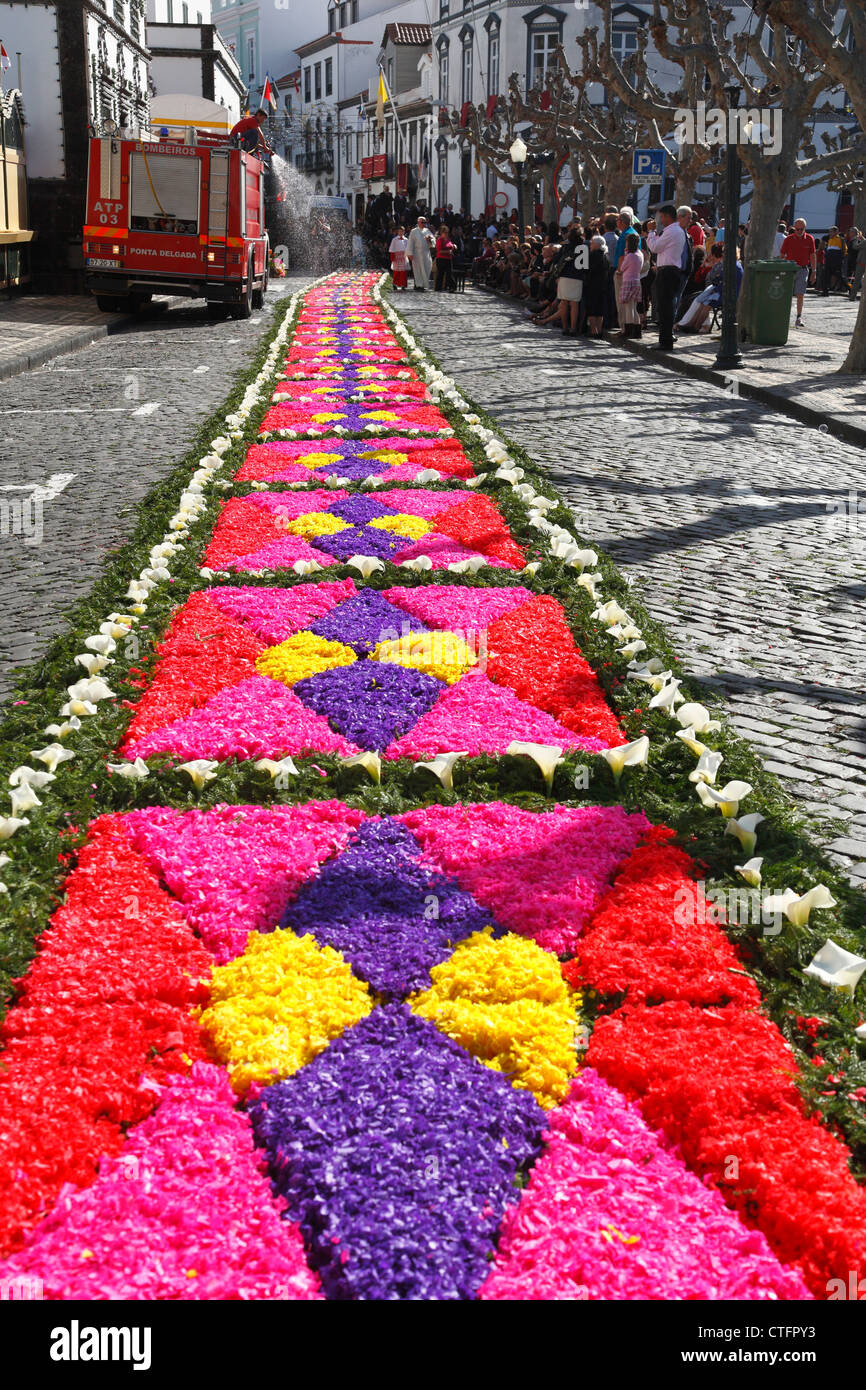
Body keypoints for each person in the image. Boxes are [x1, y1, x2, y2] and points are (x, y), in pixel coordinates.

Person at [646, 203, 688, 351]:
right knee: (665, 307)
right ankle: (665, 338)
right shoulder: (676, 230)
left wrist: (651, 233)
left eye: (662, 216)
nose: (660, 220)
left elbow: (655, 247)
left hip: (668, 272)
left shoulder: (672, 231)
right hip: (669, 270)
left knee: (665, 308)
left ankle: (665, 340)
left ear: (668, 216)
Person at [780, 217, 816, 326]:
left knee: (800, 294)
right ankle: (784, 316)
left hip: (803, 269)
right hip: (790, 270)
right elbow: (782, 255)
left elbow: (813, 255)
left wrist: (814, 271)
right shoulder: (788, 239)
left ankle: (799, 317)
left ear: (805, 228)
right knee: (787, 294)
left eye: (802, 229)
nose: (799, 231)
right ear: (794, 228)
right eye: (797, 229)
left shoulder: (810, 239)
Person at [555, 224, 585, 336]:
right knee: (574, 304)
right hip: (577, 277)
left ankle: (565, 327)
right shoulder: (583, 248)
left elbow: (557, 260)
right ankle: (573, 328)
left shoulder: (565, 247)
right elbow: (585, 266)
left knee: (563, 302)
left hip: (564, 276)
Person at [616, 231, 644, 339]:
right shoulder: (640, 254)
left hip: (628, 281)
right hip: (637, 281)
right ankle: (637, 331)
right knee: (634, 307)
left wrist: (626, 254)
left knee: (628, 307)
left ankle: (628, 331)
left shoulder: (630, 255)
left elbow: (622, 268)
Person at [583, 235, 609, 337]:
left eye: (592, 243)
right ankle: (599, 330)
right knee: (599, 309)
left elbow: (588, 270)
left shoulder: (593, 255)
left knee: (592, 309)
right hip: (602, 286)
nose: (590, 245)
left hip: (592, 285)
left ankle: (594, 331)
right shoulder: (605, 256)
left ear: (598, 244)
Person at [406, 216, 435, 290]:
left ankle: (424, 284)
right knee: (417, 269)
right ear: (418, 222)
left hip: (426, 253)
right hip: (417, 253)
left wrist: (430, 240)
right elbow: (410, 242)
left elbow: (433, 241)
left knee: (426, 268)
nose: (424, 224)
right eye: (422, 222)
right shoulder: (414, 231)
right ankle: (418, 285)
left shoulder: (427, 230)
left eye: (425, 222)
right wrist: (410, 253)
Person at [434, 224, 456, 291]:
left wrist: (454, 246)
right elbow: (439, 251)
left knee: (449, 273)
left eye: (447, 232)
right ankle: (438, 288)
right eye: (445, 232)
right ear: (441, 232)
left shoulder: (448, 239)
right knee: (440, 274)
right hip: (441, 259)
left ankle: (452, 287)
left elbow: (451, 245)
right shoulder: (439, 240)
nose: (446, 234)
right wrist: (448, 251)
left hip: (448, 259)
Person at [824, 226, 845, 293]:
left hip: (836, 261)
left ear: (836, 232)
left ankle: (849, 288)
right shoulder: (830, 239)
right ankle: (825, 291)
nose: (829, 233)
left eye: (831, 231)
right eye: (829, 232)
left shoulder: (841, 239)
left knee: (840, 276)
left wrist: (840, 259)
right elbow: (828, 249)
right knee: (826, 275)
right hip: (828, 260)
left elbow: (844, 250)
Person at [388, 225, 409, 290]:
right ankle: (395, 284)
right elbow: (391, 248)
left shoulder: (406, 239)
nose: (401, 233)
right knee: (396, 271)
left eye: (402, 231)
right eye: (399, 231)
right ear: (397, 232)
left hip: (404, 256)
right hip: (396, 256)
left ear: (404, 232)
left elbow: (408, 248)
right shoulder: (394, 239)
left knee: (403, 271)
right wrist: (392, 256)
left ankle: (403, 284)